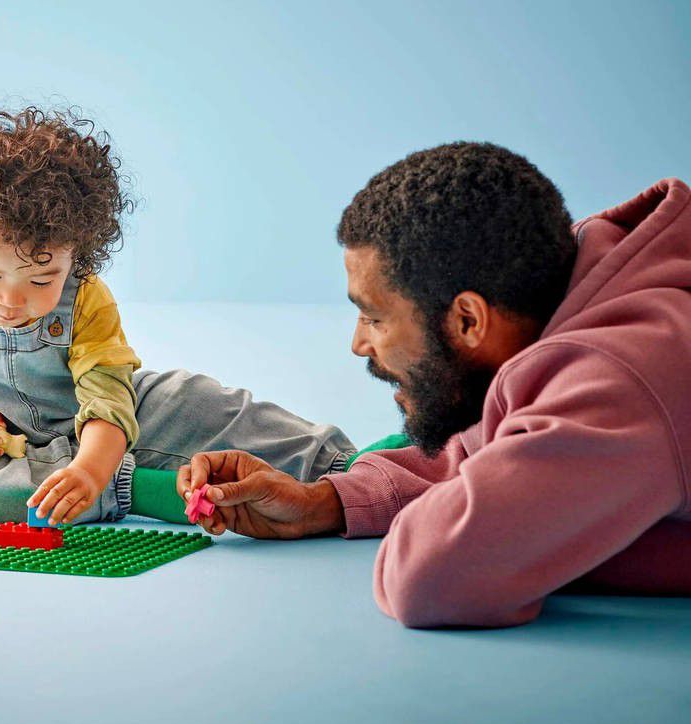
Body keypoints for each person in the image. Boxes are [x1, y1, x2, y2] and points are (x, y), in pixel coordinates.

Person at [180, 143, 691, 628]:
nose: (358, 345)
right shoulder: (564, 286)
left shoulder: (625, 380)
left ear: (469, 320)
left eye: (374, 317)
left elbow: (430, 577)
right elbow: (497, 448)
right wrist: (323, 503)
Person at [0, 106, 357, 529]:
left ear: (76, 256)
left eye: (42, 280)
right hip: (12, 461)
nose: (12, 300)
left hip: (108, 427)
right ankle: (144, 489)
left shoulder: (86, 298)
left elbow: (107, 394)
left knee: (192, 400)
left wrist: (91, 467)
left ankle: (344, 464)